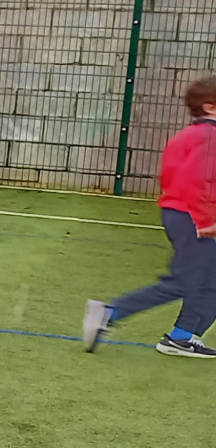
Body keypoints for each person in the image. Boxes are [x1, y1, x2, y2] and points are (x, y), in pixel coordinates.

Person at [84, 75, 216, 358]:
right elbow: (198, 180)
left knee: (210, 277)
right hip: (192, 216)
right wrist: (206, 220)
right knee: (184, 281)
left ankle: (181, 337)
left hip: (181, 213)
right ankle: (110, 312)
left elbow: (171, 176)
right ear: (210, 107)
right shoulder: (210, 137)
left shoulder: (189, 135)